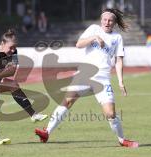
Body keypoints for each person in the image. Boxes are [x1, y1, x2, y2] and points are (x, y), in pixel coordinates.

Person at [35, 8, 139, 148]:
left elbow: (119, 60)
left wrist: (120, 81)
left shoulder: (117, 38)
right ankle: (46, 132)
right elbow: (79, 44)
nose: (107, 22)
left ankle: (122, 140)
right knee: (68, 100)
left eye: (110, 20)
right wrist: (94, 38)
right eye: (104, 20)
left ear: (114, 23)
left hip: (102, 79)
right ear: (101, 20)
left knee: (110, 113)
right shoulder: (93, 29)